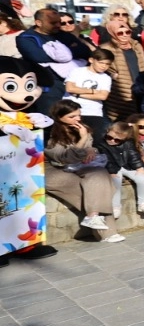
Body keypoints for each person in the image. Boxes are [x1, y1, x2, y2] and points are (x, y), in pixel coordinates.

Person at [42, 101, 123, 243]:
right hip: (53, 169)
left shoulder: (81, 128)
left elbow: (88, 150)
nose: (78, 119)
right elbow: (64, 158)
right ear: (59, 117)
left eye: (79, 115)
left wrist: (92, 149)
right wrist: (83, 139)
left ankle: (93, 217)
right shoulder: (49, 133)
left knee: (100, 175)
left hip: (80, 166)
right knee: (90, 191)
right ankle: (107, 233)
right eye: (72, 116)